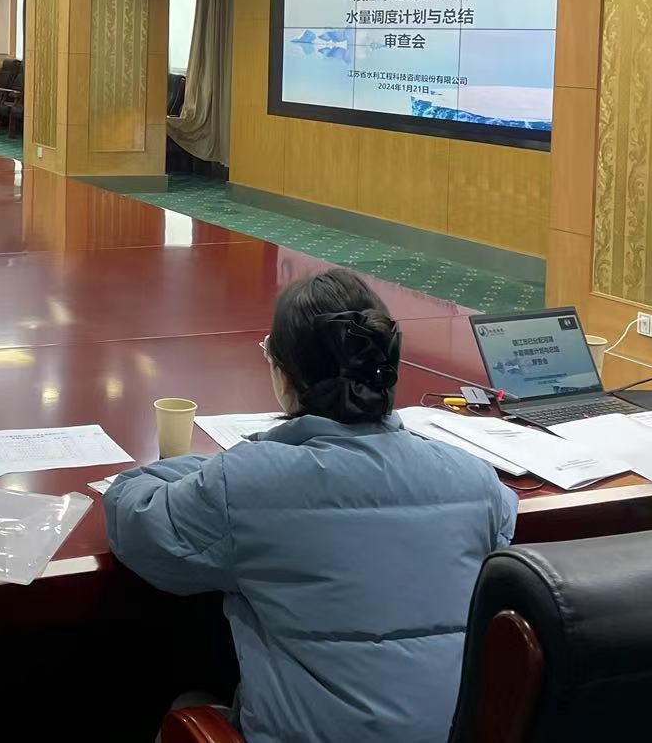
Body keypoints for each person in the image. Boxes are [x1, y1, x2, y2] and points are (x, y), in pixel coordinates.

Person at [104, 269, 516, 743]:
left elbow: (135, 519)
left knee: (184, 707)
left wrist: (220, 466)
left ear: (284, 374)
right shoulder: (473, 479)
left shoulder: (247, 482)